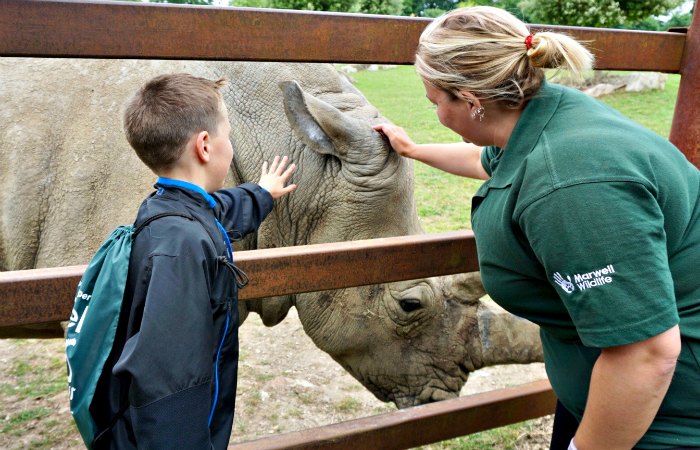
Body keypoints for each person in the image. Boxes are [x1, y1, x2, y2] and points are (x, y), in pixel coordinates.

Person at [373, 6, 700, 450]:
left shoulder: (571, 188)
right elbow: (486, 161)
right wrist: (411, 149)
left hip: (661, 420)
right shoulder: (547, 115)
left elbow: (645, 354)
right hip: (609, 398)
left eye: (436, 103)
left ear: (471, 100)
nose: (436, 114)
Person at [90, 73, 297, 449]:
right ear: (205, 146)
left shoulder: (170, 209)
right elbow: (168, 385)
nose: (229, 146)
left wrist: (262, 194)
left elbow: (219, 213)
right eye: (227, 135)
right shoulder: (180, 249)